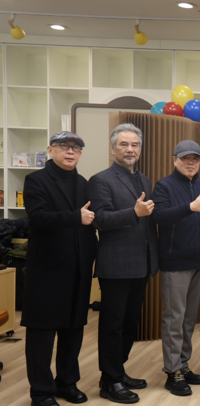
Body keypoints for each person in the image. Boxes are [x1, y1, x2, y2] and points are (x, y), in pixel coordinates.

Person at [22, 132, 98, 406]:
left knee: (73, 331)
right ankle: (41, 392)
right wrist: (76, 217)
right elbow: (38, 217)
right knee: (42, 335)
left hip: (78, 270)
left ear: (80, 154)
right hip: (47, 271)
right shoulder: (36, 180)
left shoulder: (83, 183)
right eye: (64, 146)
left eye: (76, 148)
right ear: (50, 150)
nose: (70, 151)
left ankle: (67, 383)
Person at [87, 123, 159, 404]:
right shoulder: (100, 180)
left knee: (130, 323)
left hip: (141, 262)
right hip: (116, 263)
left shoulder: (145, 180)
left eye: (135, 145)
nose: (130, 149)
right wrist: (134, 212)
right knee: (112, 324)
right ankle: (110, 381)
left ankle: (118, 370)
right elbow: (101, 220)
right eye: (124, 144)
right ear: (113, 148)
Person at [151, 140, 200, 396]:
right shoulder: (164, 185)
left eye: (195, 159)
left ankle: (183, 365)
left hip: (199, 262)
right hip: (175, 263)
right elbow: (159, 216)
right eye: (185, 158)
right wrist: (189, 207)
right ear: (175, 159)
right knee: (174, 319)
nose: (190, 163)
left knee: (188, 320)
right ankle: (172, 371)